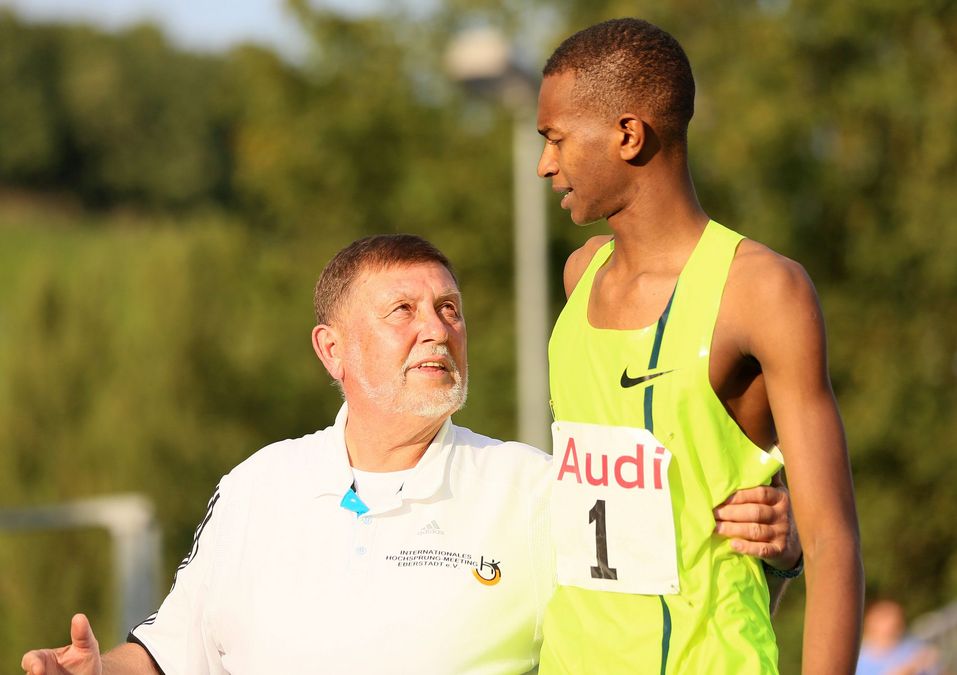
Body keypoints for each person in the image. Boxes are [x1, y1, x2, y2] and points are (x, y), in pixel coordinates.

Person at [22, 235, 799, 674]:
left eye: (450, 309)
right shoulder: (260, 483)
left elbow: (680, 585)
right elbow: (170, 653)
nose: (437, 328)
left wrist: (780, 541)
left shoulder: (533, 486)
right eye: (403, 310)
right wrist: (93, 673)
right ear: (332, 348)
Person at [536, 18, 862, 675]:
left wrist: (790, 544)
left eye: (557, 139)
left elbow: (830, 539)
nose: (545, 163)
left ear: (628, 135)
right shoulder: (580, 276)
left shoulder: (762, 289)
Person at [857, 600, 941, 675]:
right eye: (885, 616)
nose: (893, 621)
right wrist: (911, 667)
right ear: (870, 620)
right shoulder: (857, 656)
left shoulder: (914, 647)